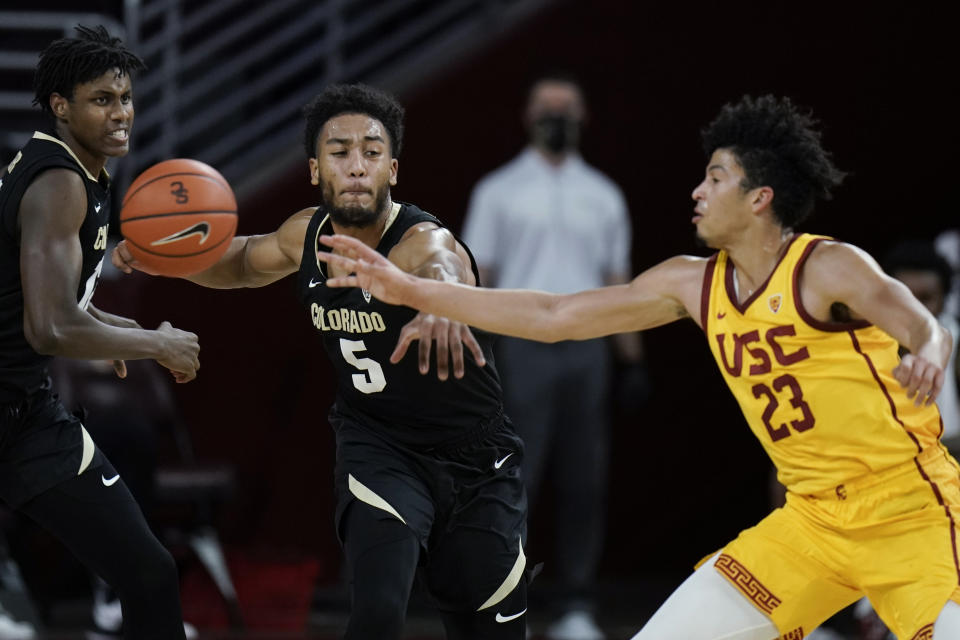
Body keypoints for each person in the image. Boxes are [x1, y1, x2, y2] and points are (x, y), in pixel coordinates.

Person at [316, 94, 960, 640]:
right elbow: (553, 313)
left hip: (910, 512)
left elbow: (925, 325)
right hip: (812, 521)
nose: (697, 191)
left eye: (714, 177)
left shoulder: (827, 266)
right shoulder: (690, 283)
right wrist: (410, 292)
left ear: (760, 197)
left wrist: (929, 355)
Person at [112, 83, 531, 639]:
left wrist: (443, 304)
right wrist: (162, 257)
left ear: (393, 171)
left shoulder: (420, 241)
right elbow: (237, 262)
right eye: (340, 152)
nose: (356, 165)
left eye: (372, 152)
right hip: (379, 446)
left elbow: (442, 266)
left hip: (475, 459)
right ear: (315, 170)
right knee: (378, 611)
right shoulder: (304, 234)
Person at [0, 25, 200, 639]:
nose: (120, 114)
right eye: (101, 99)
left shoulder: (80, 173)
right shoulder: (58, 182)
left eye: (125, 98)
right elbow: (50, 325)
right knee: (147, 575)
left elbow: (54, 301)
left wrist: (120, 329)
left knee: (147, 573)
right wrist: (154, 345)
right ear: (61, 106)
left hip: (24, 413)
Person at [461, 73, 643, 640]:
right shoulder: (498, 191)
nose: (556, 116)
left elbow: (620, 281)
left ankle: (576, 608)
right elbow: (476, 275)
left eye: (567, 108)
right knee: (517, 476)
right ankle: (507, 603)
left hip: (589, 347)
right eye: (547, 108)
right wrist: (472, 350)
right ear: (527, 116)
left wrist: (631, 359)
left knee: (585, 478)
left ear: (584, 116)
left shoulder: (604, 194)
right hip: (522, 346)